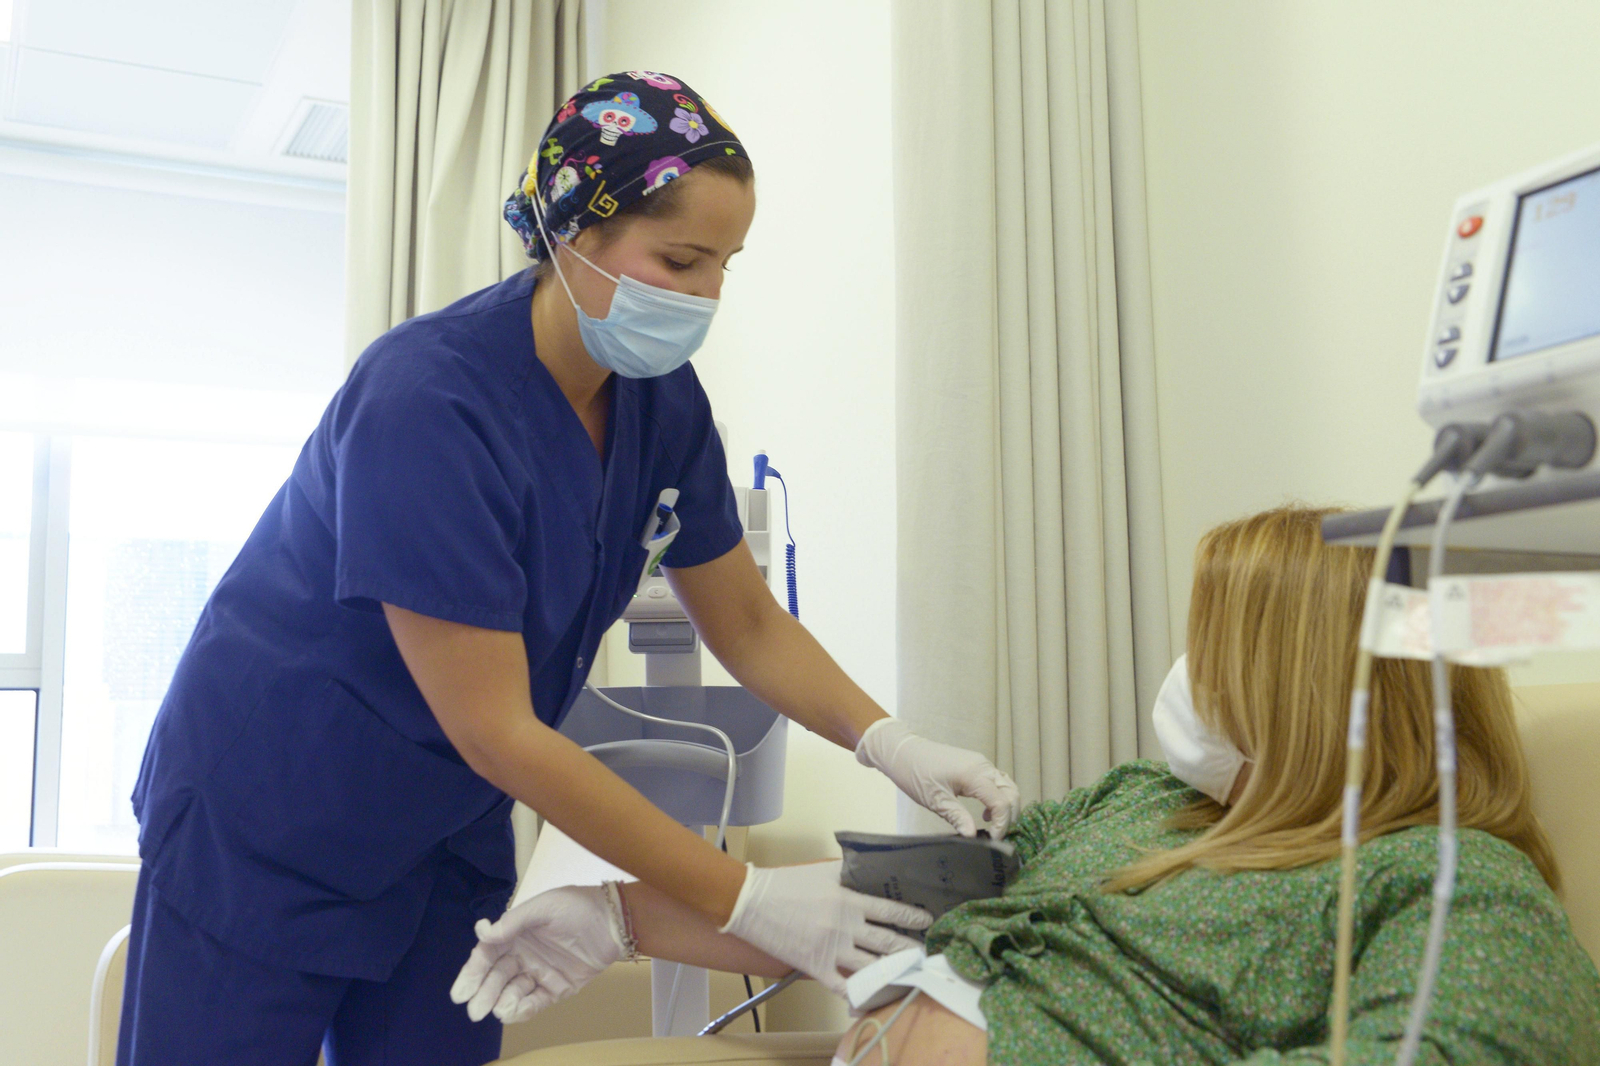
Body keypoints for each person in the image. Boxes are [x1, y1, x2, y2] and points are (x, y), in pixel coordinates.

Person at [116, 71, 1018, 1066]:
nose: (707, 295)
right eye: (680, 259)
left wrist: (886, 742)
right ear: (573, 231)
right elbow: (498, 726)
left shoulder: (661, 404)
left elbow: (749, 623)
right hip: (272, 812)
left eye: (725, 264)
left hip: (439, 825)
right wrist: (749, 900)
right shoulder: (426, 401)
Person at [520, 506, 1600, 1064]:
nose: (1181, 676)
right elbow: (867, 913)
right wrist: (619, 919)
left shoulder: (1449, 881)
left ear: (1305, 693)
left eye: (1209, 650)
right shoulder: (1140, 800)